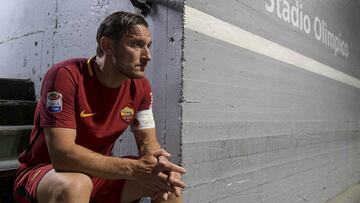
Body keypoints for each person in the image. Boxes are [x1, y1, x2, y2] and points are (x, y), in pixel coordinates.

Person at [14, 11, 186, 203]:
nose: (147, 56)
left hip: (98, 173)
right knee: (76, 185)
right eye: (137, 44)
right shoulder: (65, 75)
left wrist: (158, 162)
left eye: (148, 46)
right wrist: (132, 168)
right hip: (47, 173)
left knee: (167, 183)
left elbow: (148, 144)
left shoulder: (141, 87)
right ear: (107, 45)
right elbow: (62, 156)